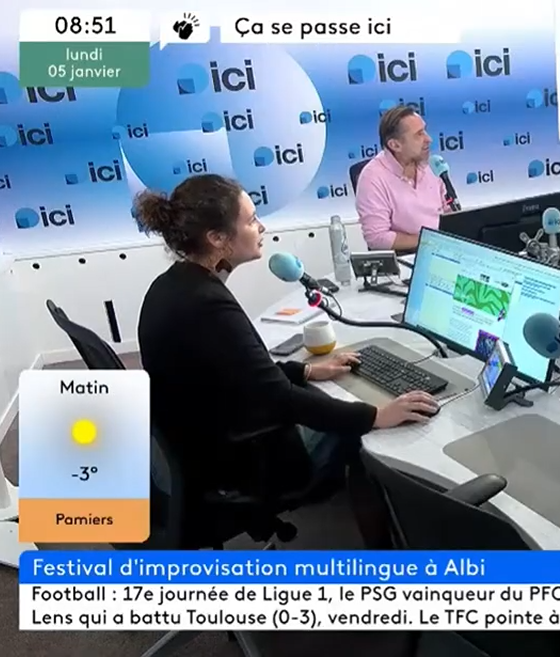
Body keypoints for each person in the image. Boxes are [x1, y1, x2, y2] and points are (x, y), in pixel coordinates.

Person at [134, 173, 438, 544]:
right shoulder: (207, 304)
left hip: (199, 444)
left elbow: (237, 371)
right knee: (361, 439)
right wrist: (375, 416)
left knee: (336, 405)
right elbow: (278, 399)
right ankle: (386, 554)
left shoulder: (175, 285)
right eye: (251, 221)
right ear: (217, 238)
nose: (261, 227)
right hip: (237, 462)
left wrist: (306, 370)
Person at [356, 105, 447, 252]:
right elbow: (377, 238)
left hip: (443, 249)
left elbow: (449, 209)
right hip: (408, 255)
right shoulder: (372, 178)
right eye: (419, 134)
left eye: (425, 130)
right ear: (395, 145)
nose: (429, 139)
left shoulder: (431, 165)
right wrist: (429, 241)